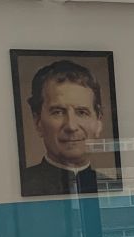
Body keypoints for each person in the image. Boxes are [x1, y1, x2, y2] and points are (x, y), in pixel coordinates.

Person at [18, 59, 112, 196]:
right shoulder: (23, 185)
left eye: (82, 112)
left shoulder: (111, 188)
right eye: (58, 112)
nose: (71, 126)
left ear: (98, 122)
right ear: (38, 121)